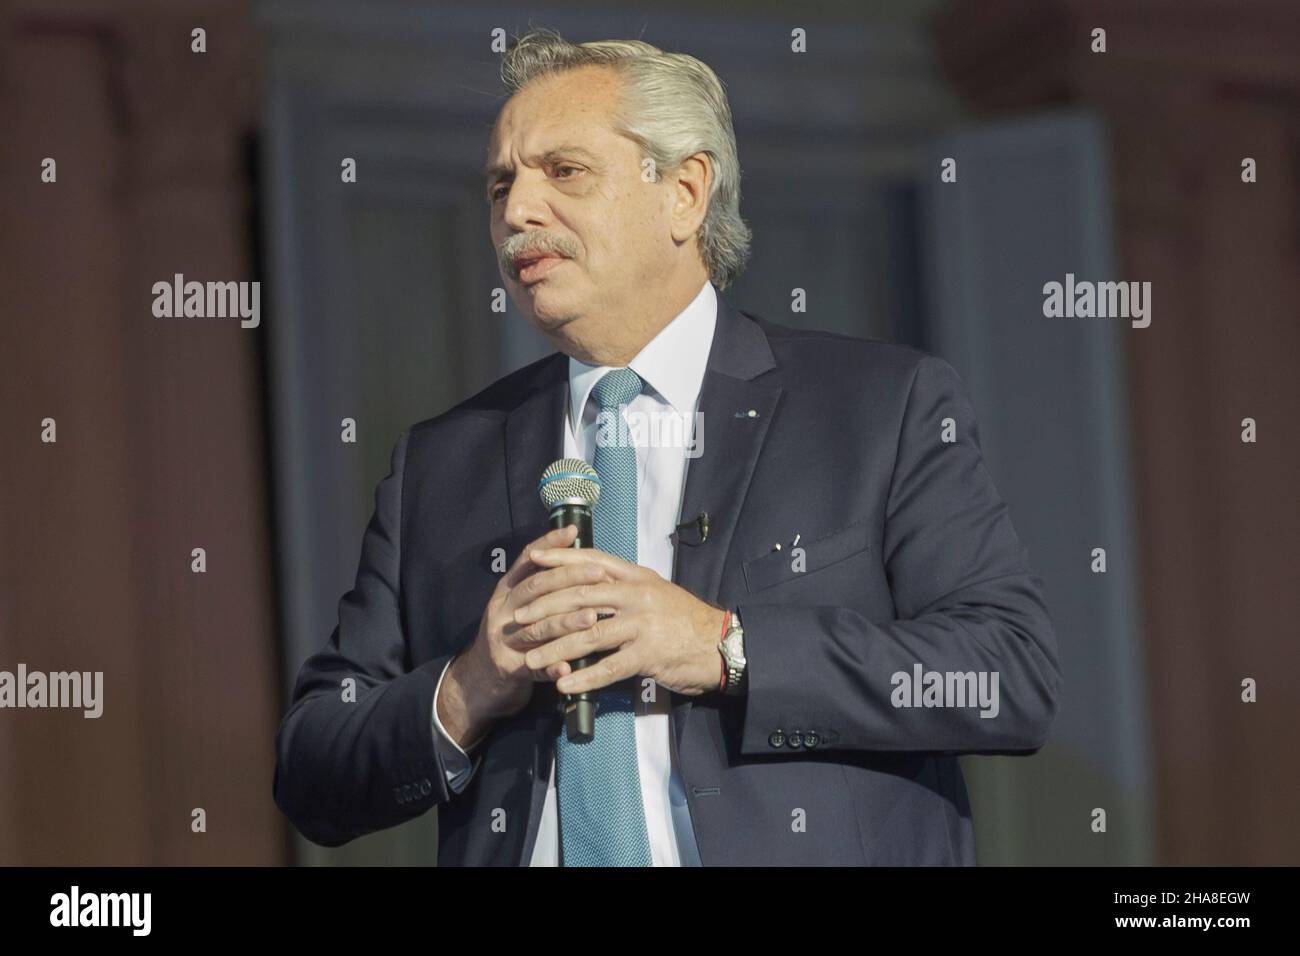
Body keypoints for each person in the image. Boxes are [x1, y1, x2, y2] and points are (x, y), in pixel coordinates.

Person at [273, 28, 1061, 866]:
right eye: (501, 182)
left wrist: (725, 647)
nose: (517, 211)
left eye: (563, 171)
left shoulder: (879, 407)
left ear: (684, 193)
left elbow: (1006, 675)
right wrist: (470, 684)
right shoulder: (440, 465)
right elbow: (315, 769)